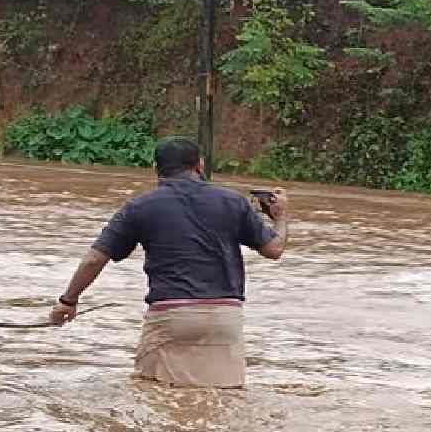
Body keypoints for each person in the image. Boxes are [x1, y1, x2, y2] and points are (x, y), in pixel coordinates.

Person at [49, 136, 288, 388]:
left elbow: (94, 259)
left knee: (153, 392)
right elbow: (274, 249)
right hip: (225, 317)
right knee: (227, 396)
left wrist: (68, 301)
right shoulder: (234, 201)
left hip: (171, 316)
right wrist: (280, 217)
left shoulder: (139, 207)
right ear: (199, 166)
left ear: (157, 170)